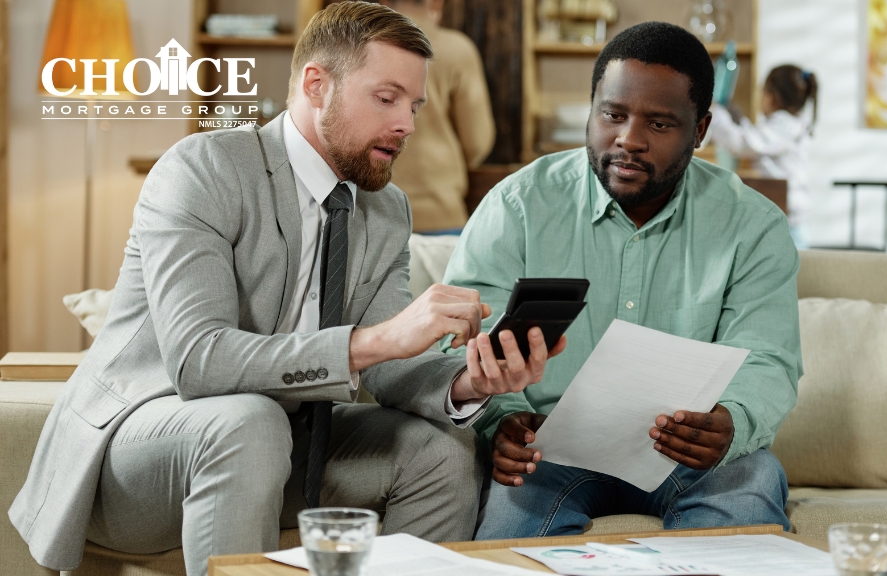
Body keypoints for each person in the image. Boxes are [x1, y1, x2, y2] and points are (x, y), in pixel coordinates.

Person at [9, 4, 562, 575]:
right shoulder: (203, 170)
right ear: (316, 85)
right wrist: (377, 339)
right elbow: (199, 362)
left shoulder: (386, 209)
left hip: (289, 443)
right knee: (249, 422)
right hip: (138, 450)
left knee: (441, 450)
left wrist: (473, 380)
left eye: (415, 105)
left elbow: (392, 369)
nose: (408, 125)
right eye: (386, 98)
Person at [441, 21, 802, 539]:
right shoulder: (518, 205)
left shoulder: (752, 225)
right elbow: (463, 340)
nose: (628, 140)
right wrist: (505, 421)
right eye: (612, 114)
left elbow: (769, 357)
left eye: (659, 124)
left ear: (699, 131)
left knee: (753, 480)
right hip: (549, 449)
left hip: (684, 453)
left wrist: (732, 421)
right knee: (509, 536)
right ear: (592, 110)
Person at [379, 0, 495, 234]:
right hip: (440, 212)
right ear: (436, 2)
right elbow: (478, 142)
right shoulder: (457, 49)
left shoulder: (357, 46)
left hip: (372, 219)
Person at [707, 64, 818, 248]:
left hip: (790, 226)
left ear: (772, 98)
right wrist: (739, 119)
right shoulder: (789, 125)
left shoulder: (784, 126)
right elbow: (756, 138)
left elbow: (742, 144)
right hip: (792, 221)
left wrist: (716, 115)